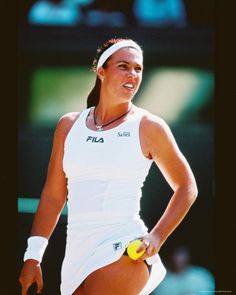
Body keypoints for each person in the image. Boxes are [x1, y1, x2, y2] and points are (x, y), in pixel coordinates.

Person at [19, 38, 198, 295]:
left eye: (138, 68)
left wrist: (157, 236)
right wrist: (33, 256)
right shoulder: (68, 126)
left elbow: (187, 187)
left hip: (124, 248)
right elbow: (53, 195)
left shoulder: (149, 126)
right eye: (124, 66)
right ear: (101, 71)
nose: (133, 74)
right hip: (75, 256)